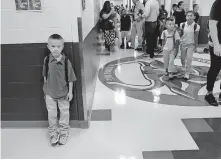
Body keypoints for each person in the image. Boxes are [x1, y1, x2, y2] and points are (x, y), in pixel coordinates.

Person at [42, 34, 76, 146]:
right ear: (48, 47)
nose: (55, 49)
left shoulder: (66, 62)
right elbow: (45, 76)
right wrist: (45, 90)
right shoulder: (47, 60)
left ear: (62, 47)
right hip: (50, 94)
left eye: (58, 46)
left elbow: (71, 78)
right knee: (51, 114)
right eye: (52, 46)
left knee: (64, 114)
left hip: (64, 94)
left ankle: (64, 132)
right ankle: (53, 133)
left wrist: (70, 92)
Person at [205, 0, 221, 106]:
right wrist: (216, 44)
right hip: (217, 43)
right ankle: (209, 93)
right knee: (215, 68)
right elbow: (212, 24)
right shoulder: (218, 3)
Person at [180, 10, 200, 80]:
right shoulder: (182, 25)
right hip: (183, 44)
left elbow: (196, 36)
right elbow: (180, 34)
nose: (189, 17)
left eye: (191, 15)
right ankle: (183, 66)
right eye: (188, 15)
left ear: (194, 17)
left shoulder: (196, 26)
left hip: (191, 45)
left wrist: (196, 46)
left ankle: (187, 73)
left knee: (189, 59)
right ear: (186, 17)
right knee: (182, 58)